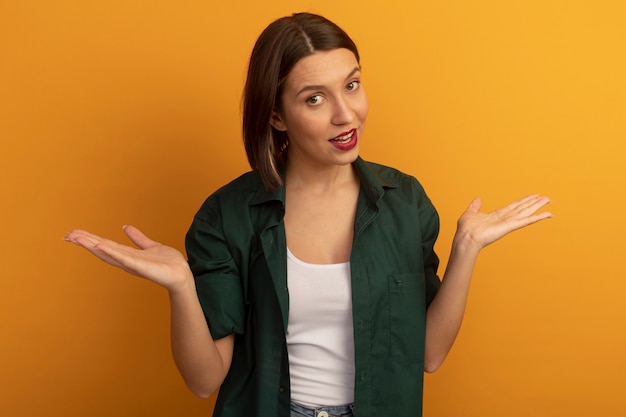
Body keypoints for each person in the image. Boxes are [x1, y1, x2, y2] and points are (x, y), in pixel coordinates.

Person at [64, 12, 551, 417]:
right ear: (276, 115)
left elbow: (429, 355)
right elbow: (204, 381)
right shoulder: (227, 215)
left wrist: (466, 250)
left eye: (352, 85)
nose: (346, 114)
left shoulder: (404, 202)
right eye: (314, 98)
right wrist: (181, 288)